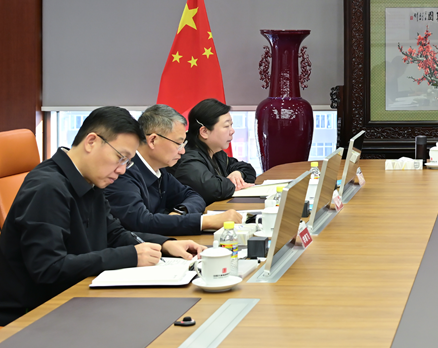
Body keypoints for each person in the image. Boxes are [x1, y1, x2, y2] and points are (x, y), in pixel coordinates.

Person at [0, 107, 203, 326]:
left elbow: (114, 233)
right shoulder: (47, 188)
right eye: (120, 158)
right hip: (33, 315)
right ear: (91, 142)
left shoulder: (90, 179)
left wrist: (165, 245)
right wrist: (130, 256)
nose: (122, 170)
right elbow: (49, 268)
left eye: (127, 162)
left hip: (78, 297)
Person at [105, 104, 243, 236]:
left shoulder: (161, 171)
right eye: (178, 143)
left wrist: (180, 212)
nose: (182, 151)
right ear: (152, 140)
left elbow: (194, 196)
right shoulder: (122, 173)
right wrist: (205, 222)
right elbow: (142, 222)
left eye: (183, 144)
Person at [168, 98, 257, 204]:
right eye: (226, 126)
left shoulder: (216, 153)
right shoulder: (186, 157)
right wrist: (234, 183)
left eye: (231, 125)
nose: (232, 131)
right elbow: (212, 189)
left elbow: (248, 169)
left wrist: (238, 174)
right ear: (204, 132)